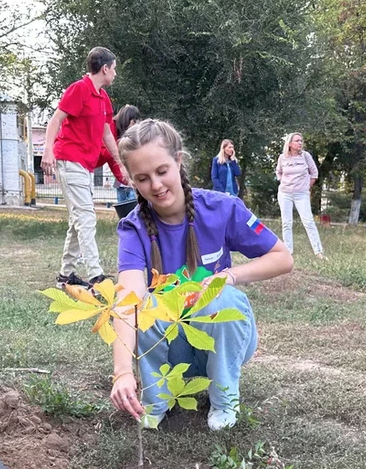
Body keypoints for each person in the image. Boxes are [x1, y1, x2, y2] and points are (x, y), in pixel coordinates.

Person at [110, 120, 293, 431]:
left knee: (220, 298)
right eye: (142, 178)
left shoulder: (222, 207)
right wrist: (122, 371)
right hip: (174, 345)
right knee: (148, 305)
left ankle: (224, 398)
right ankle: (158, 399)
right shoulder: (133, 227)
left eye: (162, 171)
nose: (155, 185)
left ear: (178, 161)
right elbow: (128, 301)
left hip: (222, 337)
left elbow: (282, 258)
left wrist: (229, 277)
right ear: (132, 181)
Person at [41, 47, 125, 288]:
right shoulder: (79, 89)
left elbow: (107, 134)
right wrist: (48, 149)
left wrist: (121, 163)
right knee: (86, 217)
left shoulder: (102, 98)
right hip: (69, 160)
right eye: (114, 68)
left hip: (85, 166)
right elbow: (56, 120)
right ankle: (96, 276)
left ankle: (65, 276)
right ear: (105, 68)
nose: (115, 74)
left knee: (78, 220)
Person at [275, 132, 326, 259]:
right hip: (285, 193)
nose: (300, 143)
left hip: (301, 194)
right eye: (297, 140)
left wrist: (306, 186)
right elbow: (278, 172)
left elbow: (314, 173)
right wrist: (284, 182)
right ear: (290, 143)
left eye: (301, 141)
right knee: (286, 222)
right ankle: (288, 251)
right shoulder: (282, 157)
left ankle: (318, 251)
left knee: (308, 222)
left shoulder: (305, 156)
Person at [107, 104, 142, 218]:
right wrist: (124, 178)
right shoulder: (110, 129)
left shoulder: (121, 136)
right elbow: (110, 156)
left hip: (128, 183)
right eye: (134, 123)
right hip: (122, 184)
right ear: (131, 121)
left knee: (131, 212)